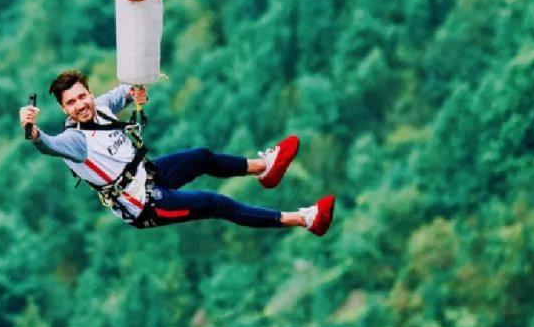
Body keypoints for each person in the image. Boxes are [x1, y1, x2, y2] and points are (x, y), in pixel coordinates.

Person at [18, 69, 335, 235]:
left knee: (201, 156)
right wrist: (31, 130)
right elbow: (47, 144)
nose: (81, 105)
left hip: (149, 174)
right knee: (215, 203)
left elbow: (125, 91)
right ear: (64, 109)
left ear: (88, 92)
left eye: (82, 96)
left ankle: (264, 168)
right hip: (144, 205)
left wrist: (139, 85)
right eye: (71, 103)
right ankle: (305, 219)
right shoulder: (74, 142)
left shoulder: (99, 107)